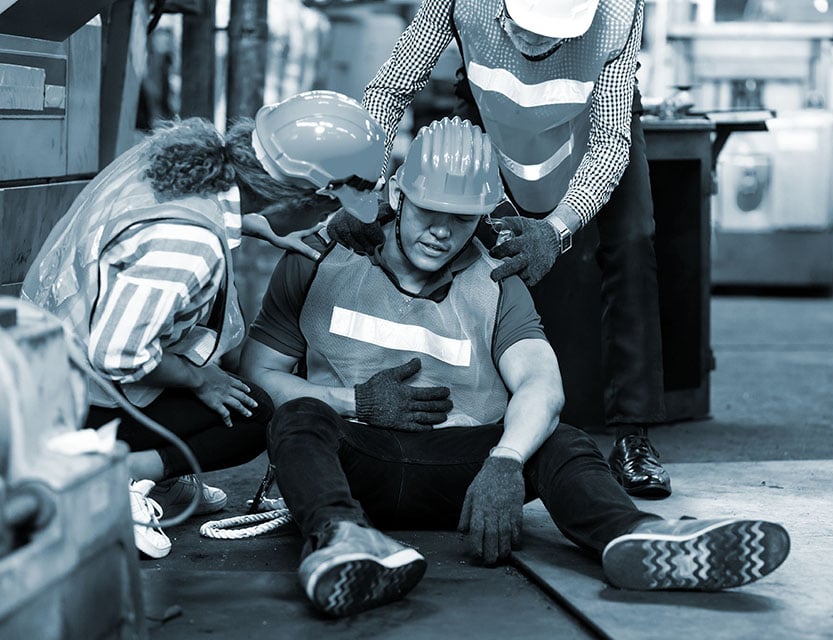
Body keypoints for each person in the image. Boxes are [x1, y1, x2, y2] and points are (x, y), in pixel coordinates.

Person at [240, 117, 789, 618]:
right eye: (429, 210)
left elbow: (540, 384)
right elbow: (258, 374)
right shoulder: (317, 261)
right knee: (298, 418)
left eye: (461, 218)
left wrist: (505, 461)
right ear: (395, 194)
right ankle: (342, 539)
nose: (441, 231)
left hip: (465, 471)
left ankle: (639, 537)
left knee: (562, 441)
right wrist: (352, 403)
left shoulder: (497, 281)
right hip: (355, 458)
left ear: (483, 214)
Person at [326, 0, 671, 498]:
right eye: (527, 29)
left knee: (633, 245)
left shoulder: (617, 11)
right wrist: (362, 189)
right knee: (473, 245)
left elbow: (610, 143)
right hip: (491, 105)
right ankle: (476, 411)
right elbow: (390, 86)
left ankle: (634, 439)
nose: (535, 45)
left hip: (589, 118)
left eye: (550, 35)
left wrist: (555, 228)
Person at [21, 90, 385, 559]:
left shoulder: (192, 156)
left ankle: (155, 477)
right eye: (328, 208)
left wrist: (255, 225)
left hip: (49, 360)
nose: (328, 218)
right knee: (254, 413)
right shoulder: (187, 243)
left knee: (230, 381)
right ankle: (109, 478)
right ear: (307, 197)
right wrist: (200, 378)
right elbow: (117, 354)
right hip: (74, 395)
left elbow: (168, 222)